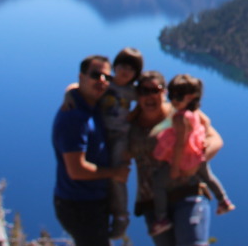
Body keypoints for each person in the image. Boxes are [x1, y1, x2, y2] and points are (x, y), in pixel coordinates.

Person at [129, 71, 225, 246]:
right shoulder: (131, 123)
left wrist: (194, 164)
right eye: (144, 91)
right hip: (153, 202)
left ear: (164, 92)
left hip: (187, 192)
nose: (149, 96)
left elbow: (216, 139)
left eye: (155, 90)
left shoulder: (181, 112)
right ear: (137, 94)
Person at [52, 55, 130, 246]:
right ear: (82, 77)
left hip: (92, 201)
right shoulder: (74, 117)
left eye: (107, 77)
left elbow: (74, 88)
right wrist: (115, 173)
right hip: (79, 205)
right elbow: (76, 170)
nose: (102, 81)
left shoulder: (91, 105)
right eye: (96, 75)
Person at [149, 74, 234, 236]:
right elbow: (207, 122)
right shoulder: (194, 112)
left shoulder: (180, 119)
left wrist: (175, 168)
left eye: (178, 97)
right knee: (208, 176)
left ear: (191, 97)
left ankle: (161, 218)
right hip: (196, 154)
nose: (173, 100)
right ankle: (224, 200)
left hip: (184, 159)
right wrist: (200, 139)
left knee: (159, 183)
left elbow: (179, 145)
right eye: (171, 95)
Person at [100, 47, 143, 239]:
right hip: (100, 135)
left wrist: (132, 116)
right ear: (114, 66)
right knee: (97, 171)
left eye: (131, 69)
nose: (126, 71)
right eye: (123, 66)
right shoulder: (103, 83)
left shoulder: (132, 92)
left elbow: (149, 102)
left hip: (119, 137)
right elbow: (77, 87)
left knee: (118, 174)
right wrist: (69, 94)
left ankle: (120, 216)